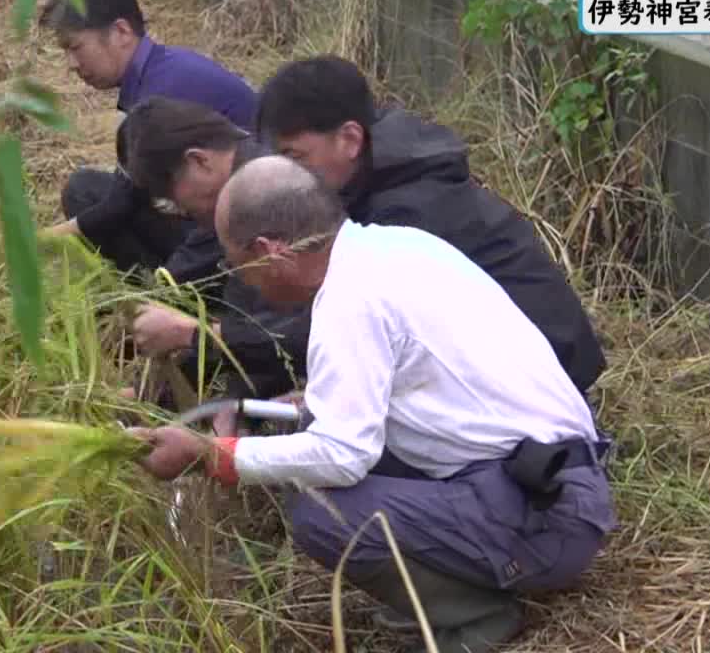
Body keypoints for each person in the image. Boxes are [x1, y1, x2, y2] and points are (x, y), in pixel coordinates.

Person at [131, 157, 617, 653]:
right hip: (560, 484)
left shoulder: (351, 299)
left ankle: (477, 614)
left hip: (547, 515)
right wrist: (317, 400)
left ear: (267, 252)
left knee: (321, 510)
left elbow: (342, 456)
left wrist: (210, 455)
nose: (245, 283)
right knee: (314, 434)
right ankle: (446, 581)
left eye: (237, 265)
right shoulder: (394, 246)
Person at [255, 55, 608, 396]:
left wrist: (236, 343)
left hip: (540, 384)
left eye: (295, 157)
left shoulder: (405, 213)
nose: (285, 174)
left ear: (350, 139)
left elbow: (349, 327)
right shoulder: (380, 176)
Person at [37, 0, 257, 281]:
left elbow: (120, 203)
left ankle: (167, 291)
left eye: (76, 47)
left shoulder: (162, 92)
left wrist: (39, 241)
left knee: (84, 194)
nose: (71, 65)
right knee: (89, 189)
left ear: (121, 32)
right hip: (235, 219)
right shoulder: (164, 69)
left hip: (246, 234)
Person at [118, 96, 305, 403]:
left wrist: (188, 334)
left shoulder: (268, 195)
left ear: (199, 161)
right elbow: (246, 318)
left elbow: (288, 337)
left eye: (171, 195)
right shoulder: (246, 184)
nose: (180, 209)